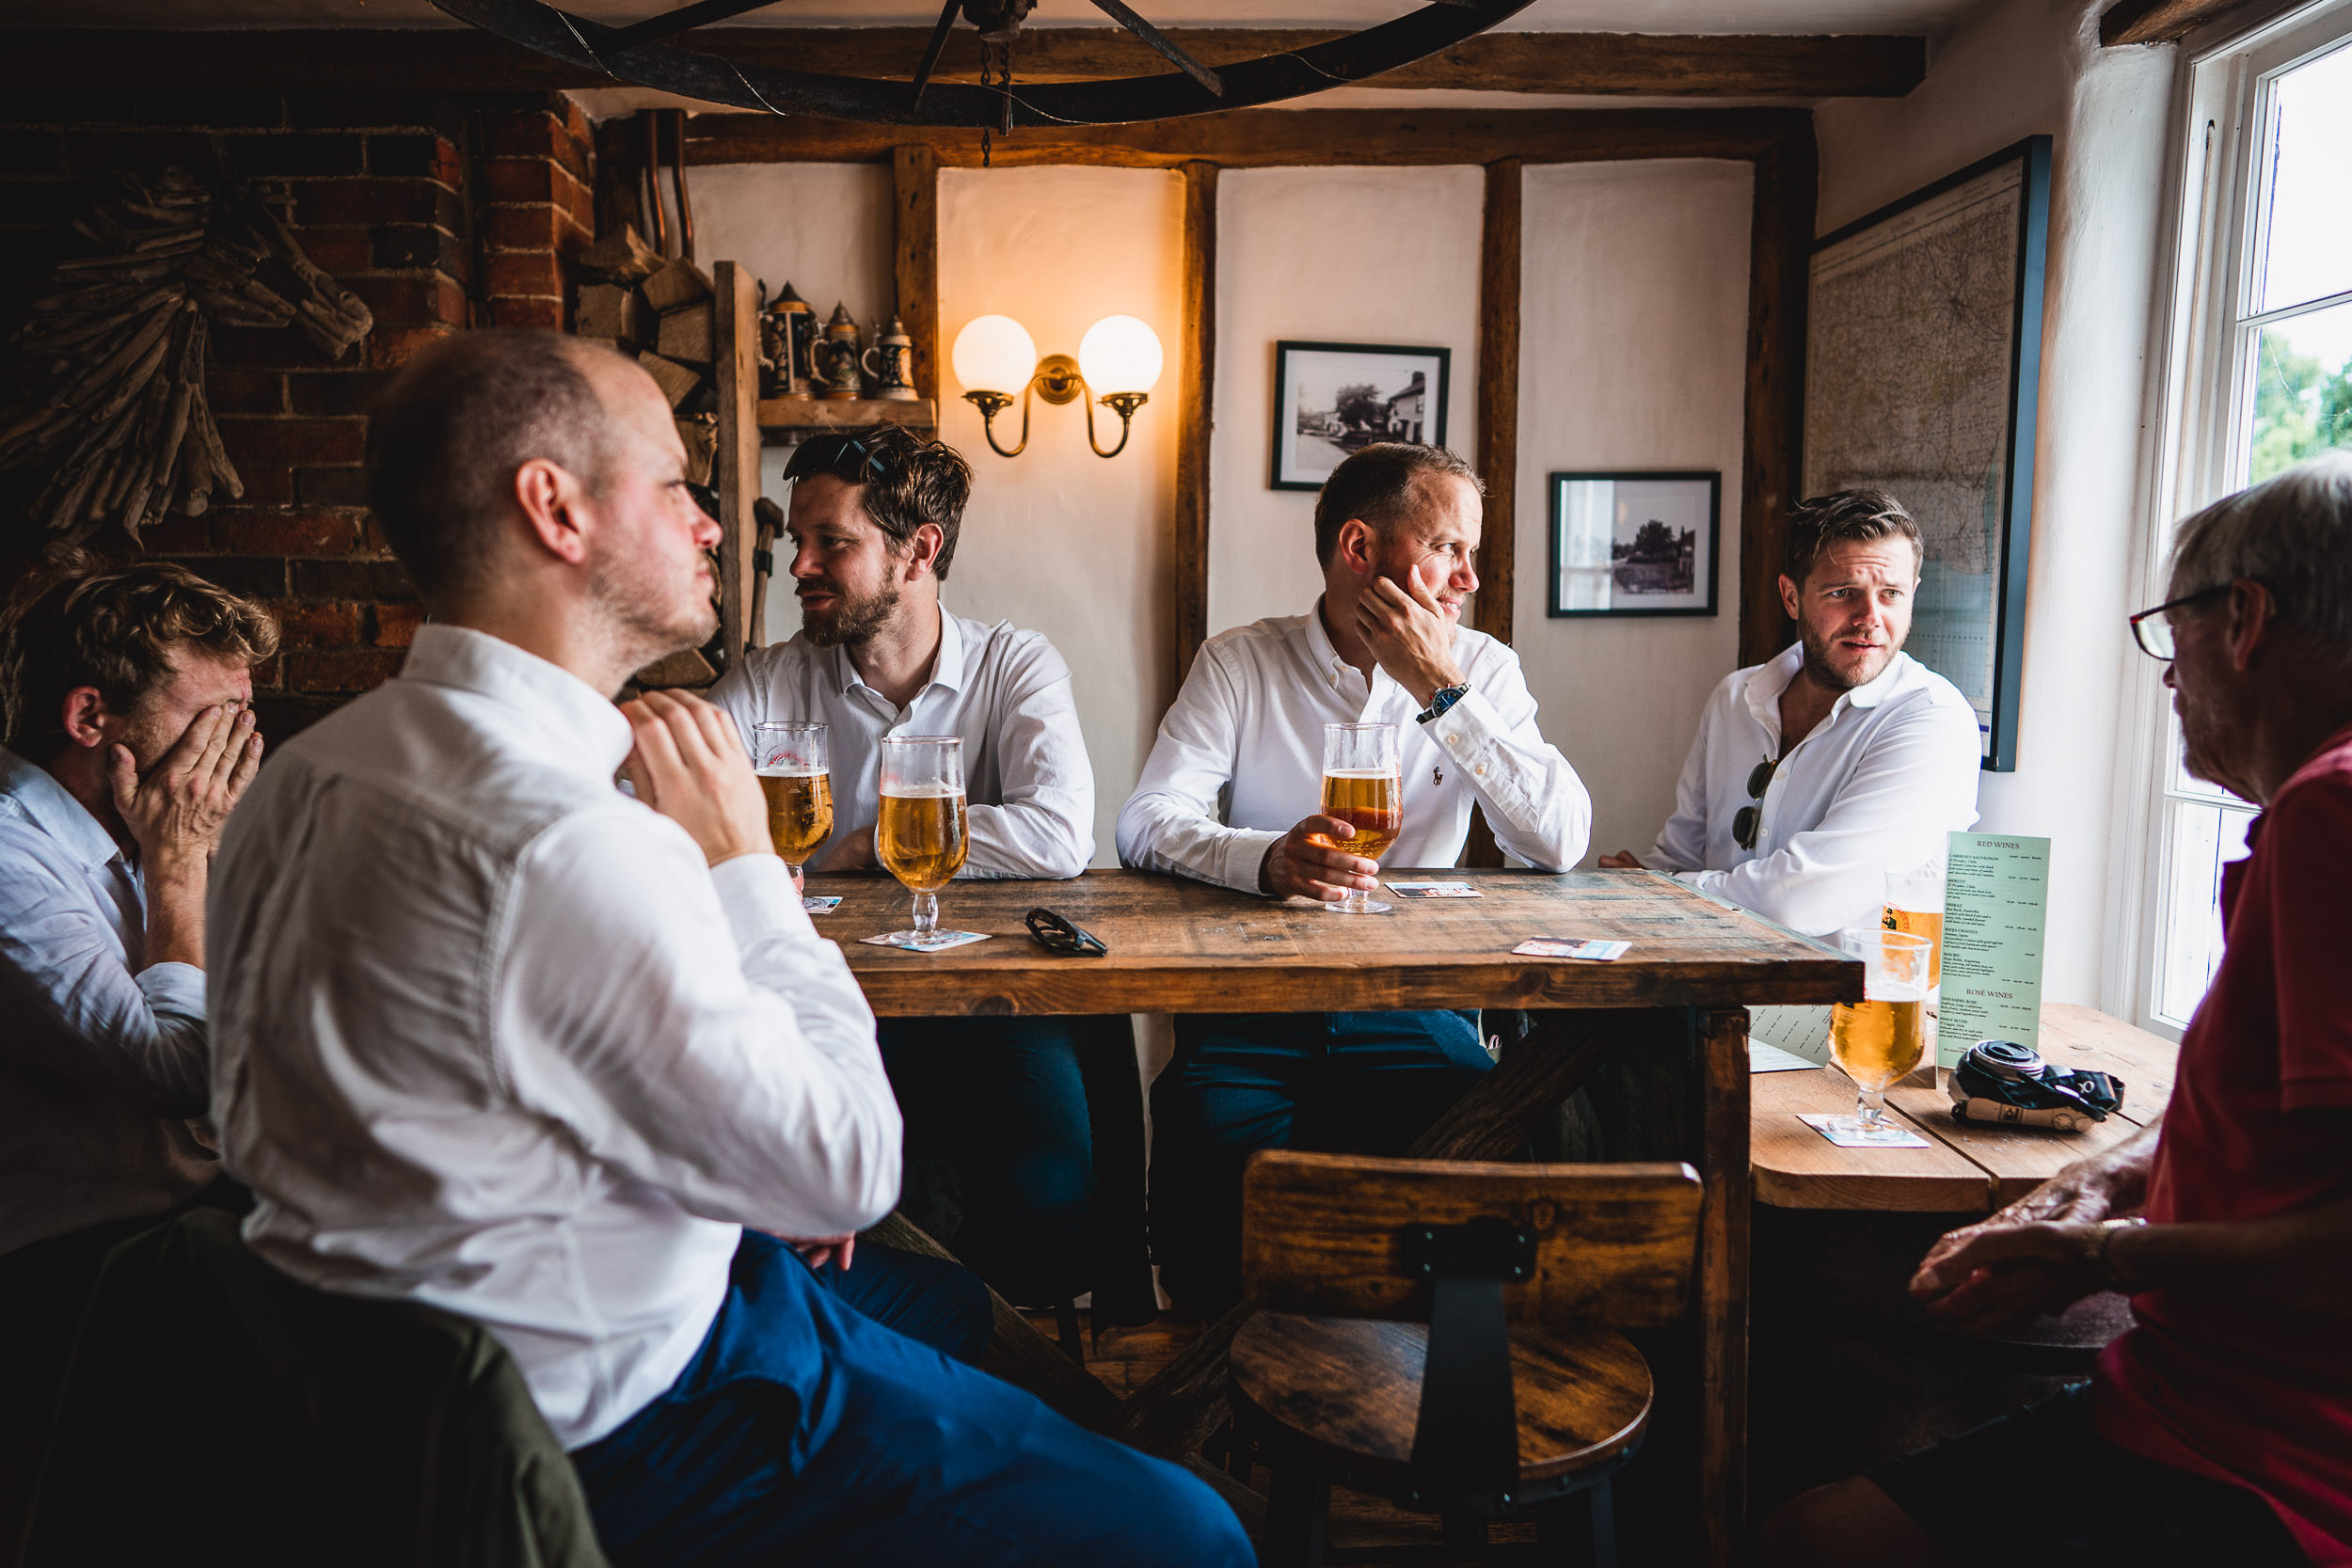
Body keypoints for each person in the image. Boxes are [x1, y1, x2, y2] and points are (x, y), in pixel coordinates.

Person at [207, 329, 1249, 1568]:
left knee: (962, 1298)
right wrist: (747, 866)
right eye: (673, 485)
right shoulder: (572, 836)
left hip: (385, 1390)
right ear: (556, 508)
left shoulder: (297, 779)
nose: (715, 526)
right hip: (633, 1412)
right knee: (1191, 1531)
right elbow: (847, 1167)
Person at [1762, 454, 2352, 1568]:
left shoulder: (2332, 814)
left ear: (2249, 619)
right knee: (1813, 1529)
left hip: (2268, 1460)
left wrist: (2105, 1260)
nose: (2168, 679)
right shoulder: (2303, 813)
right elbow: (2290, 1142)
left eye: (2168, 632)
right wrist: (2099, 1177)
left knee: (1809, 1537)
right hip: (2190, 1402)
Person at [1118, 441, 1590, 1313]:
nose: (1469, 580)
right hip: (1253, 1009)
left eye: (1470, 555)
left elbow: (1557, 841)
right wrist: (1265, 858)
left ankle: (1425, 1392)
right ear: (1360, 549)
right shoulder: (1239, 663)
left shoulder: (1480, 668)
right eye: (1449, 548)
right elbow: (1145, 821)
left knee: (1480, 1156)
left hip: (1414, 1002)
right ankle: (1216, 1409)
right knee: (1200, 1188)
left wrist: (1441, 689)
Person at [709, 427, 1098, 1308]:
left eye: (832, 543)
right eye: (796, 541)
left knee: (1051, 1185)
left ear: (920, 548)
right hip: (810, 1006)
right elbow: (659, 807)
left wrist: (854, 846)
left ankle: (1026, 1368)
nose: (801, 563)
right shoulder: (770, 679)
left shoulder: (1014, 664)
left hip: (986, 1010)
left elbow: (1059, 832)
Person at [0, 559, 273, 1504]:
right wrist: (180, 864)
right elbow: (183, 1071)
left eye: (245, 718)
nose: (238, 748)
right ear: (91, 719)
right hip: (66, 1269)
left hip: (184, 1221)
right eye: (212, 720)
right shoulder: (13, 857)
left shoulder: (141, 823)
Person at [1597, 488, 1979, 939]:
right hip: (1715, 988)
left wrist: (1656, 891)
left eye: (1891, 594)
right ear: (1792, 596)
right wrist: (1638, 888)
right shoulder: (1734, 698)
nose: (1869, 617)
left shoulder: (1933, 722)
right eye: (1843, 593)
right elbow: (1679, 857)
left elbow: (1803, 901)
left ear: (1912, 593)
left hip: (1851, 1006)